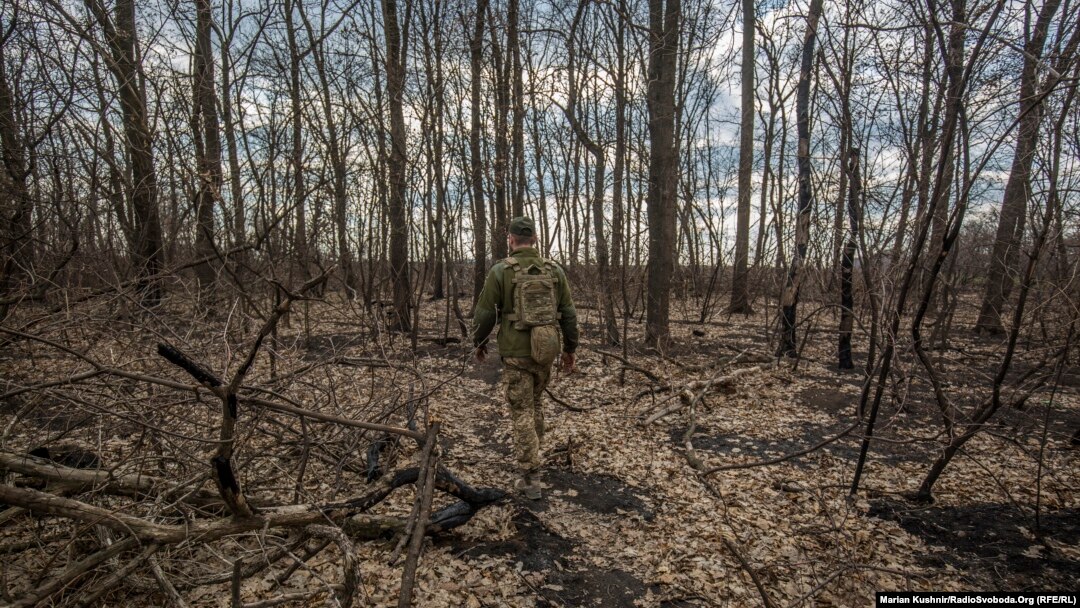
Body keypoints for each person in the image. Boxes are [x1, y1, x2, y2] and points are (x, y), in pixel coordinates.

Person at [472, 217, 578, 500]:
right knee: (536, 403)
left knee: (521, 411)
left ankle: (530, 478)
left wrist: (479, 341)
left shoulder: (501, 271)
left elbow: (484, 313)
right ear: (535, 239)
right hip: (546, 350)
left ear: (511, 239)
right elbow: (568, 313)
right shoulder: (554, 270)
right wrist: (570, 349)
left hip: (517, 354)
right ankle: (533, 455)